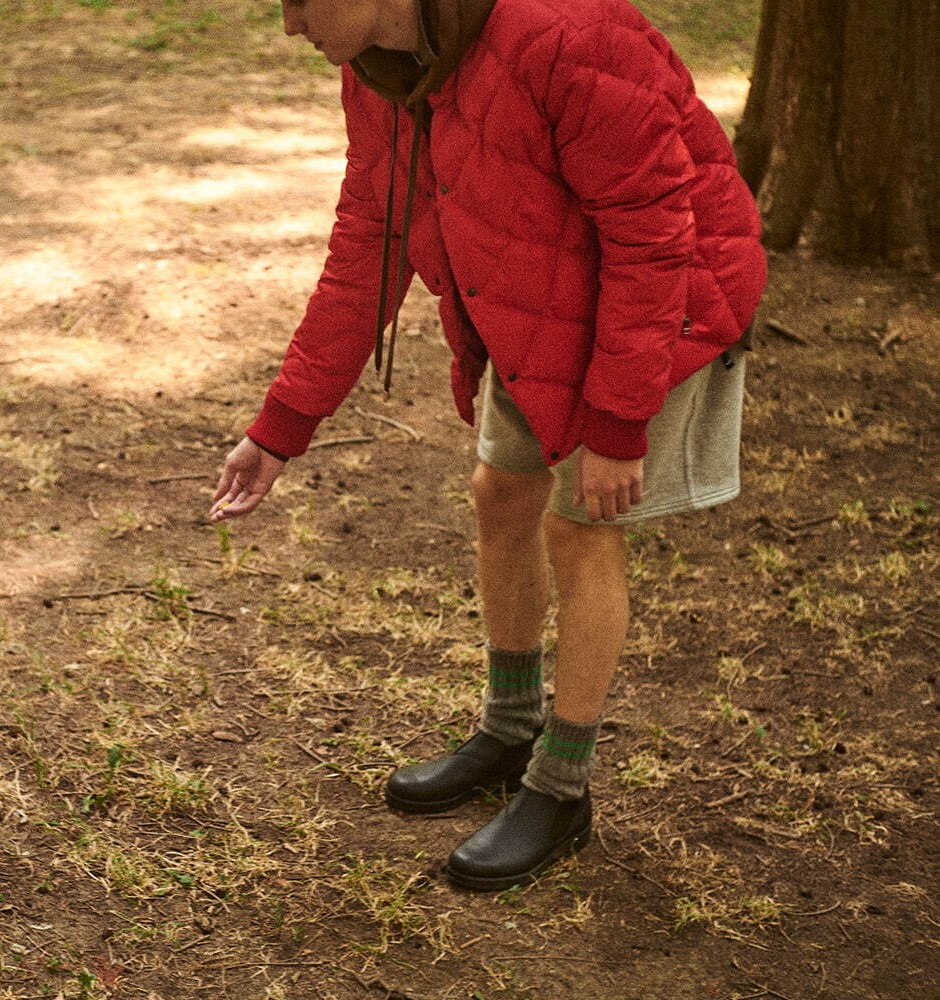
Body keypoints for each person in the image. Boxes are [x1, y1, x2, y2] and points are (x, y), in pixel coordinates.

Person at [209, 0, 765, 891]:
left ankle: (561, 783)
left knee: (579, 526)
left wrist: (617, 425)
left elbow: (655, 235)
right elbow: (371, 240)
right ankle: (510, 728)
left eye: (301, 2)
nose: (288, 26)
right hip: (533, 307)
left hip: (661, 313)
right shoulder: (382, 71)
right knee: (499, 495)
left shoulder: (572, 36)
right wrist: (282, 427)